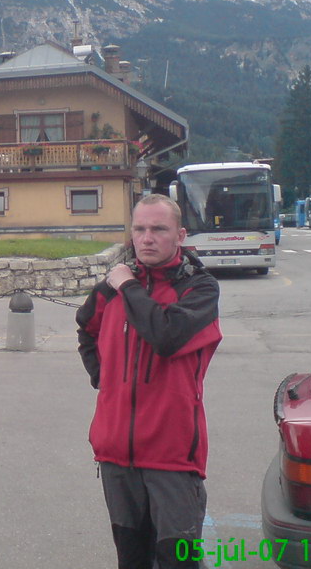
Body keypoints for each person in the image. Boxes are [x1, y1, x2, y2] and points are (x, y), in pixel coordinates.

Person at [76, 194, 222, 568]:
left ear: (180, 235)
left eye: (159, 229)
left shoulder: (199, 289)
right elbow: (86, 328)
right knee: (132, 559)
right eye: (139, 229)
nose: (147, 238)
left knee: (178, 561)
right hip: (115, 454)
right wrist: (104, 380)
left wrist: (128, 286)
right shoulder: (113, 289)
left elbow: (166, 335)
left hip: (172, 457)